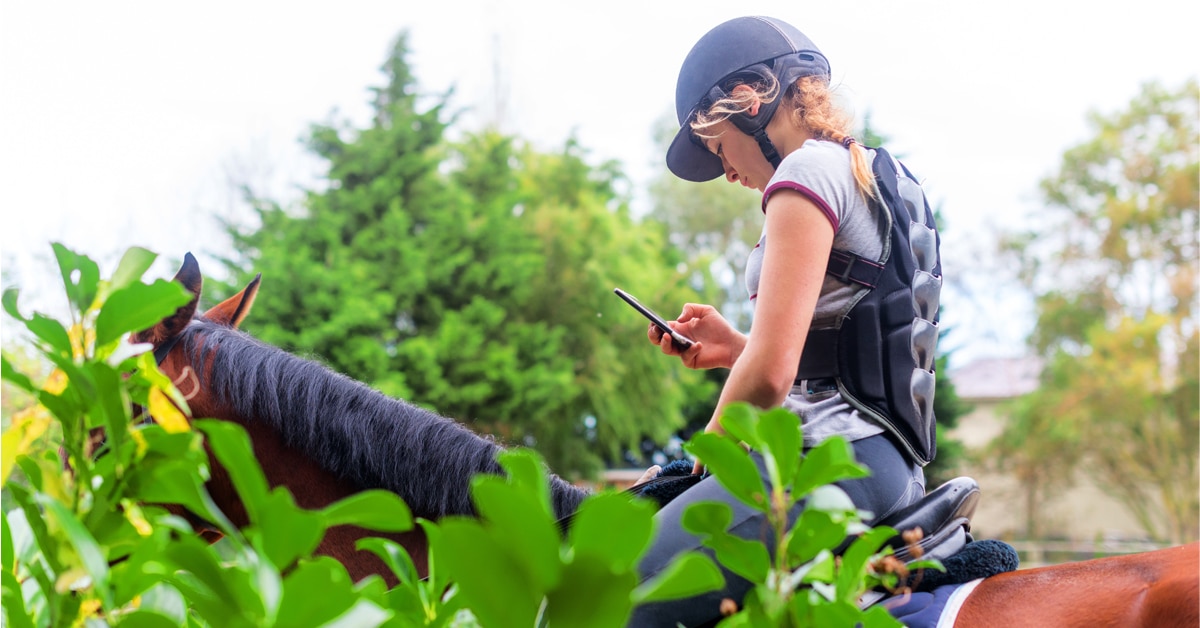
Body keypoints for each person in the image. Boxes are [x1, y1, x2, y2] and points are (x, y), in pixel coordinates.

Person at [630, 15, 942, 626]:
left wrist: (704, 453)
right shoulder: (877, 173)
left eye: (719, 147)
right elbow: (853, 343)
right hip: (891, 468)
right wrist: (734, 349)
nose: (725, 171)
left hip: (829, 458)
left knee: (613, 586)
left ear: (750, 101)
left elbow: (771, 379)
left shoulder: (805, 173)